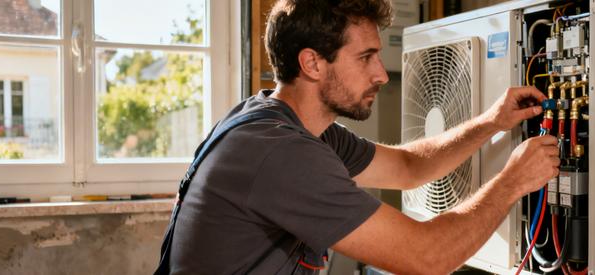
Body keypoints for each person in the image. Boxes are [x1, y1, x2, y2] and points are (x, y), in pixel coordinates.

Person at [167, 0, 559, 274]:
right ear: (312, 63)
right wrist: (512, 182)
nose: (381, 74)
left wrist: (491, 122)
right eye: (365, 57)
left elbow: (408, 167)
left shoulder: (293, 127)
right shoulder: (279, 154)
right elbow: (427, 259)